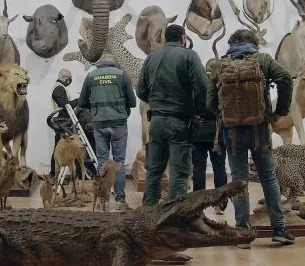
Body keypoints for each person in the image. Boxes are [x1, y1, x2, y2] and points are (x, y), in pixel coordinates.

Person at [207, 29, 295, 247]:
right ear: (254, 43)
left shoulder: (220, 65)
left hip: (232, 132)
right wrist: (280, 111)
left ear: (231, 43)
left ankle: (242, 232)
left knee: (239, 180)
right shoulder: (262, 60)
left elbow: (209, 102)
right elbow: (285, 76)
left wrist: (221, 113)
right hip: (260, 130)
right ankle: (279, 230)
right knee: (268, 177)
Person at [137, 24, 209, 206]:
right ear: (183, 39)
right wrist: (198, 110)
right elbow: (203, 88)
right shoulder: (189, 56)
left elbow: (141, 91)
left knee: (154, 170)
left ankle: (148, 215)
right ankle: (173, 218)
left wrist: (156, 102)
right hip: (179, 122)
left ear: (165, 39)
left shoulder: (151, 57)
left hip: (157, 121)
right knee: (179, 172)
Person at [78, 55, 136, 210]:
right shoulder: (122, 75)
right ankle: (120, 201)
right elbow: (133, 102)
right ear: (114, 63)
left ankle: (104, 201)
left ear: (99, 64)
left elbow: (82, 102)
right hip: (119, 124)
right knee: (118, 163)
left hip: (99, 124)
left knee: (102, 162)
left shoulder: (91, 76)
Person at [191, 59, 228, 214]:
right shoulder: (224, 84)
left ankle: (198, 206)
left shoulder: (197, 84)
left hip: (198, 131)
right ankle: (220, 204)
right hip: (218, 131)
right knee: (219, 167)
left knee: (198, 168)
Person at [48, 69, 81, 180]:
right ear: (62, 76)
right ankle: (54, 174)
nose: (69, 80)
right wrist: (78, 101)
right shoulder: (58, 88)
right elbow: (65, 106)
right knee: (59, 148)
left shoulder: (61, 88)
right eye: (68, 77)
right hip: (61, 122)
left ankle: (55, 175)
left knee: (62, 147)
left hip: (63, 121)